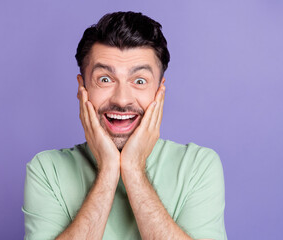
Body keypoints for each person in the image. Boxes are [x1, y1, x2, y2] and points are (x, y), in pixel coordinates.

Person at [23, 11, 227, 240]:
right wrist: (109, 169)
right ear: (82, 89)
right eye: (105, 79)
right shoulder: (47, 170)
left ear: (160, 91)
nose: (121, 99)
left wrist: (133, 168)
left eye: (139, 81)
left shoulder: (197, 166)